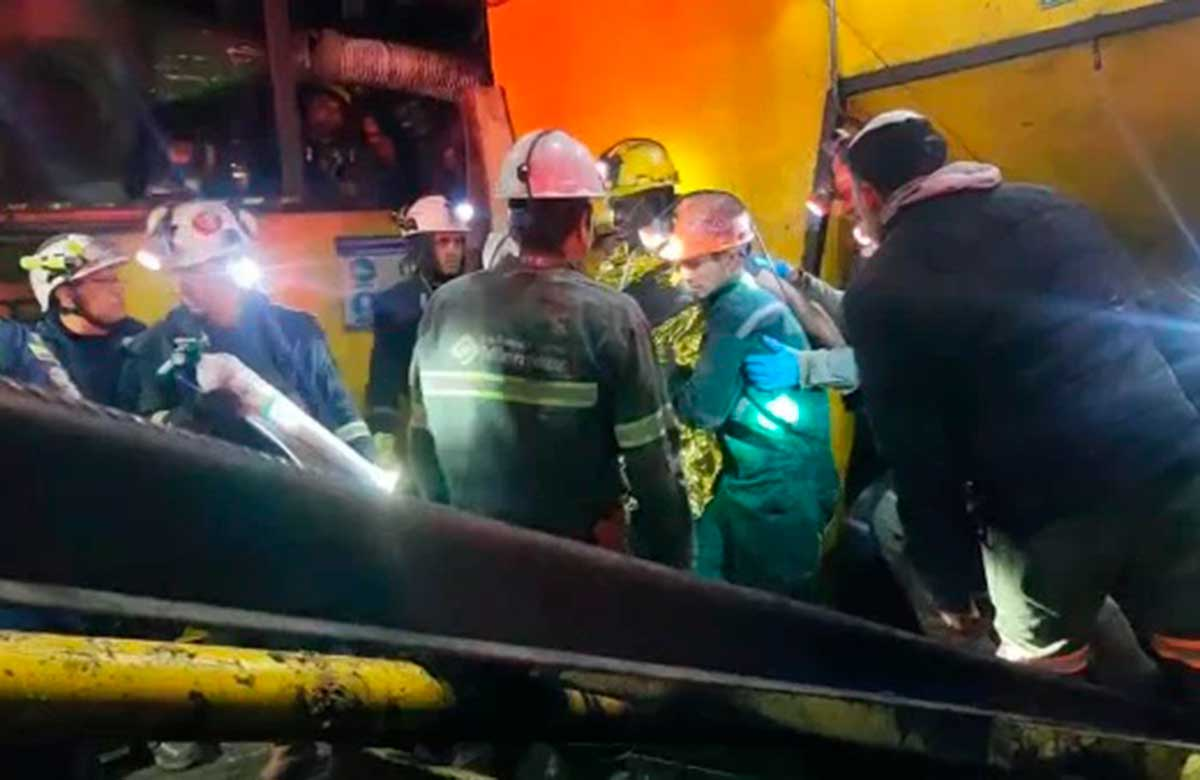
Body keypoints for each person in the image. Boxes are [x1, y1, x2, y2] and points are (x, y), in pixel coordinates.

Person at [841, 109, 1200, 686]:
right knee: (1191, 642)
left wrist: (950, 583)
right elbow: (1145, 322)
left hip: (1042, 515)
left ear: (868, 194)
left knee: (1044, 673)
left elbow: (916, 453)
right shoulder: (1055, 209)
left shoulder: (882, 285)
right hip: (1170, 464)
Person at [408, 129, 691, 567]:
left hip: (471, 557)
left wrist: (448, 535)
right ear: (583, 223)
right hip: (573, 567)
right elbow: (653, 465)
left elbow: (421, 443)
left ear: (513, 222)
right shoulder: (611, 316)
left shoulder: (445, 305)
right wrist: (671, 564)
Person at [654, 190, 839, 598]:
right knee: (709, 575)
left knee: (771, 607)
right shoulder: (743, 297)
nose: (684, 275)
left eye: (696, 262)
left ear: (734, 256)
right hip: (757, 475)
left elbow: (703, 410)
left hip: (776, 488)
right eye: (681, 263)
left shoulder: (738, 312)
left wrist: (663, 369)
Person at [119, 199, 374, 460]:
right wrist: (194, 415)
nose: (181, 287)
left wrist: (364, 458)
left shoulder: (296, 331)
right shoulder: (155, 346)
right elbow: (148, 438)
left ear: (230, 269)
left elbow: (341, 412)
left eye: (195, 272)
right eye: (177, 273)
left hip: (303, 479)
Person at [366, 195, 469, 458]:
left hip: (472, 433)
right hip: (422, 438)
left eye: (458, 241)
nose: (452, 250)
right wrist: (383, 433)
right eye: (442, 242)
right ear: (422, 247)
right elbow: (384, 374)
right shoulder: (396, 305)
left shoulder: (478, 298)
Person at [21, 233, 145, 408]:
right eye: (104, 281)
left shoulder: (142, 339)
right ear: (66, 296)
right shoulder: (34, 355)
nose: (118, 289)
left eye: (116, 279)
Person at [301, 84, 369, 206]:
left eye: (337, 108)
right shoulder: (294, 146)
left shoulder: (354, 152)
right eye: (323, 104)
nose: (332, 112)